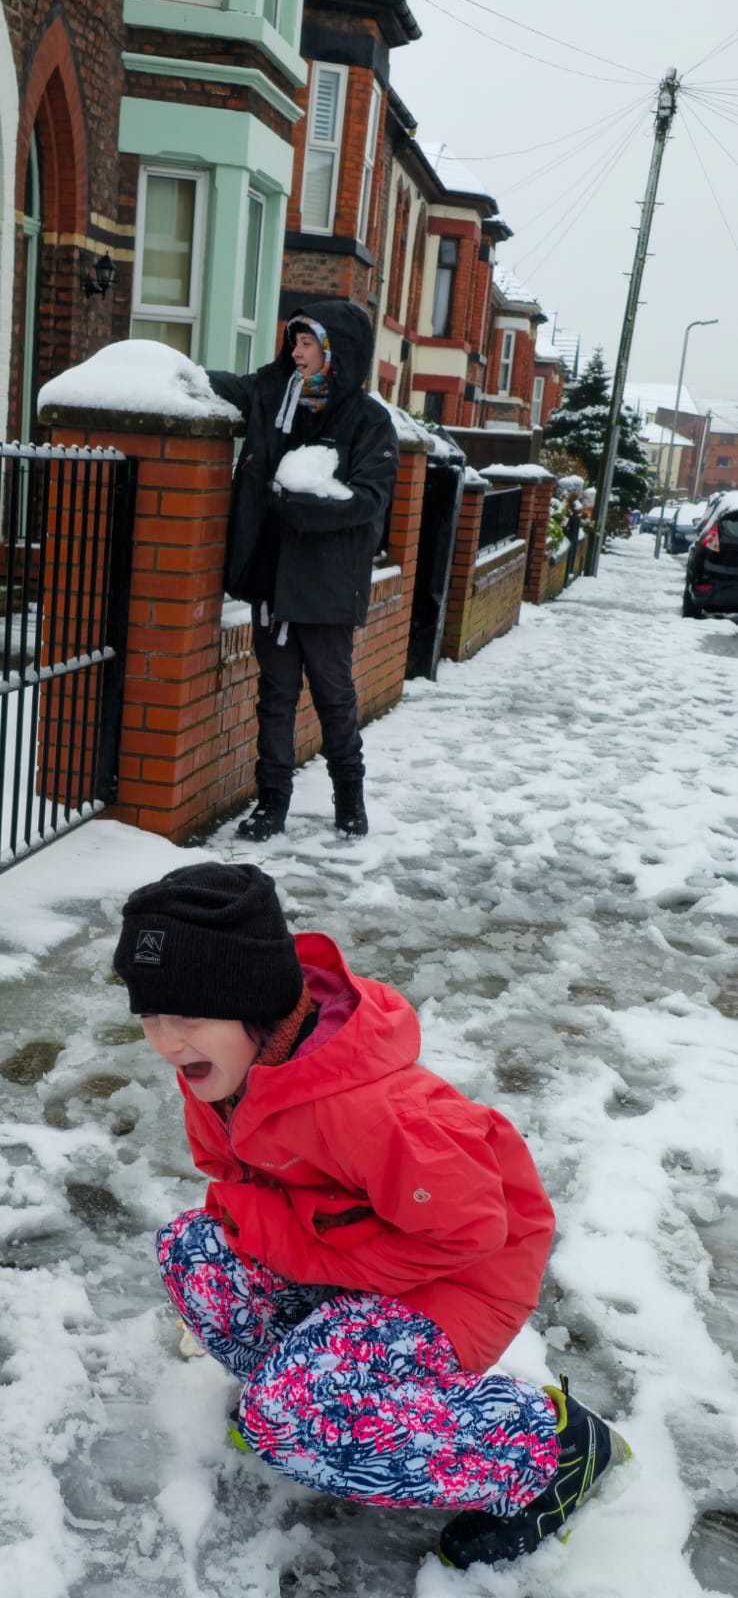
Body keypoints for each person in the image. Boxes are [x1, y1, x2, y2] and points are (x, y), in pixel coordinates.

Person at [113, 861, 631, 1572]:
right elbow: (229, 1185)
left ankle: (548, 1448)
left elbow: (472, 1230)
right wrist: (297, 1252)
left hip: (456, 1279)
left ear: (253, 1004)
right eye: (151, 1016)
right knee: (194, 1252)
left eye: (188, 1017)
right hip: (359, 1259)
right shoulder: (220, 1076)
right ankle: (310, 1391)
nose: (165, 1042)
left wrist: (304, 1255)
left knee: (288, 1421)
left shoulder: (376, 1113)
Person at [208, 300, 399, 841]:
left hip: (327, 586)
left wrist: (301, 503)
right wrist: (175, 374)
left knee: (333, 695)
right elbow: (229, 389)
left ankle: (349, 802)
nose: (296, 352)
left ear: (336, 351)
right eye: (294, 342)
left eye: (307, 343)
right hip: (272, 577)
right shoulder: (275, 397)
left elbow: (369, 499)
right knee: (276, 695)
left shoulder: (368, 421)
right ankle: (271, 805)